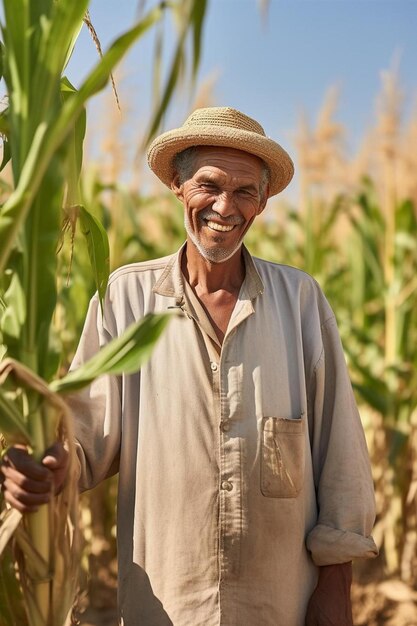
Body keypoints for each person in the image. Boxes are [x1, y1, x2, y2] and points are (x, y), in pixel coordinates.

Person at [0, 107, 378, 626]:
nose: (226, 205)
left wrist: (335, 592)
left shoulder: (301, 302)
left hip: (279, 604)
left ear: (264, 201)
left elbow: (341, 457)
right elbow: (83, 442)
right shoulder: (125, 299)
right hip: (168, 605)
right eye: (209, 185)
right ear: (178, 184)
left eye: (246, 191)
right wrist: (45, 469)